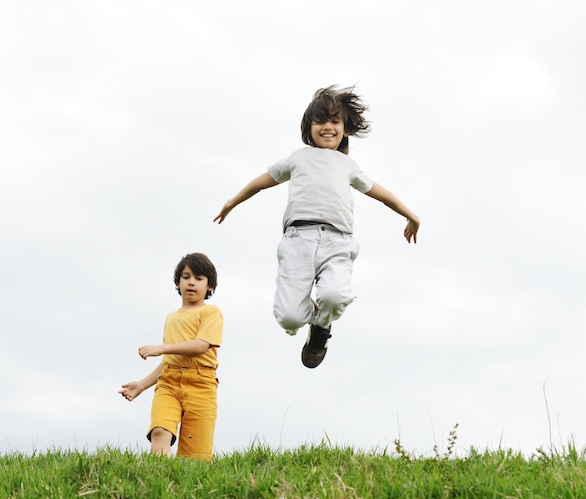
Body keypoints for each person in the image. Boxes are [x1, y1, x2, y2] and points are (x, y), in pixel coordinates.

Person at [213, 85, 419, 369]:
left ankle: (322, 327)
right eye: (320, 121)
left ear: (344, 129)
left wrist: (411, 215)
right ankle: (312, 322)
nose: (327, 127)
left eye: (335, 121)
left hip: (338, 241)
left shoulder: (347, 165)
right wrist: (232, 202)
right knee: (289, 317)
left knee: (334, 296)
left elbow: (380, 193)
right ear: (308, 128)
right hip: (298, 240)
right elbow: (261, 181)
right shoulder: (298, 158)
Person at [119, 253, 223, 460]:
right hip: (169, 382)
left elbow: (200, 346)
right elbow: (171, 359)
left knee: (195, 457)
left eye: (199, 278)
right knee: (160, 430)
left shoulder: (211, 312)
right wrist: (142, 385)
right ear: (177, 283)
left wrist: (161, 348)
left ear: (209, 286)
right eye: (186, 277)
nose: (191, 282)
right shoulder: (172, 317)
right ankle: (159, 475)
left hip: (201, 385)